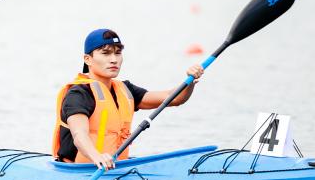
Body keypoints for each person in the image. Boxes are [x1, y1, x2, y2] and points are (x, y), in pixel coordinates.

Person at [52, 28, 204, 167]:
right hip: (80, 169)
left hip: (115, 167)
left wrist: (190, 81)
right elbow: (79, 135)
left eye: (118, 53)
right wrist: (97, 156)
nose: (114, 59)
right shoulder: (79, 94)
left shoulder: (126, 89)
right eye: (106, 53)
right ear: (88, 59)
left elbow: (174, 98)